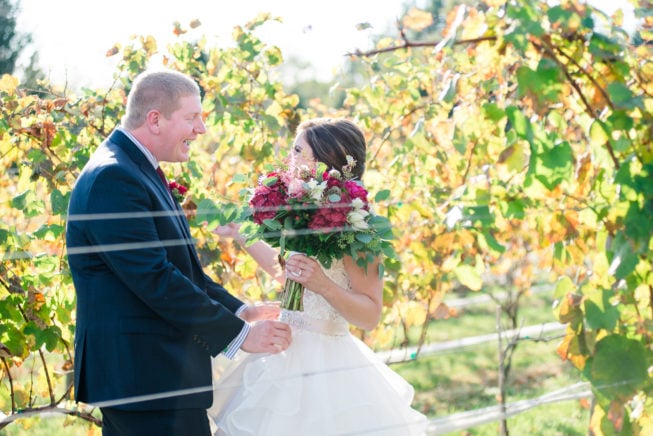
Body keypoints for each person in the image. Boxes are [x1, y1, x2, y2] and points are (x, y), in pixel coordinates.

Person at [65, 68, 292, 436]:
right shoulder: (114, 177)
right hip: (146, 381)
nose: (200, 129)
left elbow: (179, 270)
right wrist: (239, 335)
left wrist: (241, 310)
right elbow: (155, 279)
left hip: (155, 380)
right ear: (155, 119)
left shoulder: (137, 169)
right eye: (192, 117)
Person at [209, 118, 429, 435]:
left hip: (329, 366)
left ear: (323, 161)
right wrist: (241, 235)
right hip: (280, 350)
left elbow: (369, 315)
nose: (290, 158)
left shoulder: (358, 224)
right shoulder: (301, 210)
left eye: (298, 150)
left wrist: (323, 285)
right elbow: (292, 274)